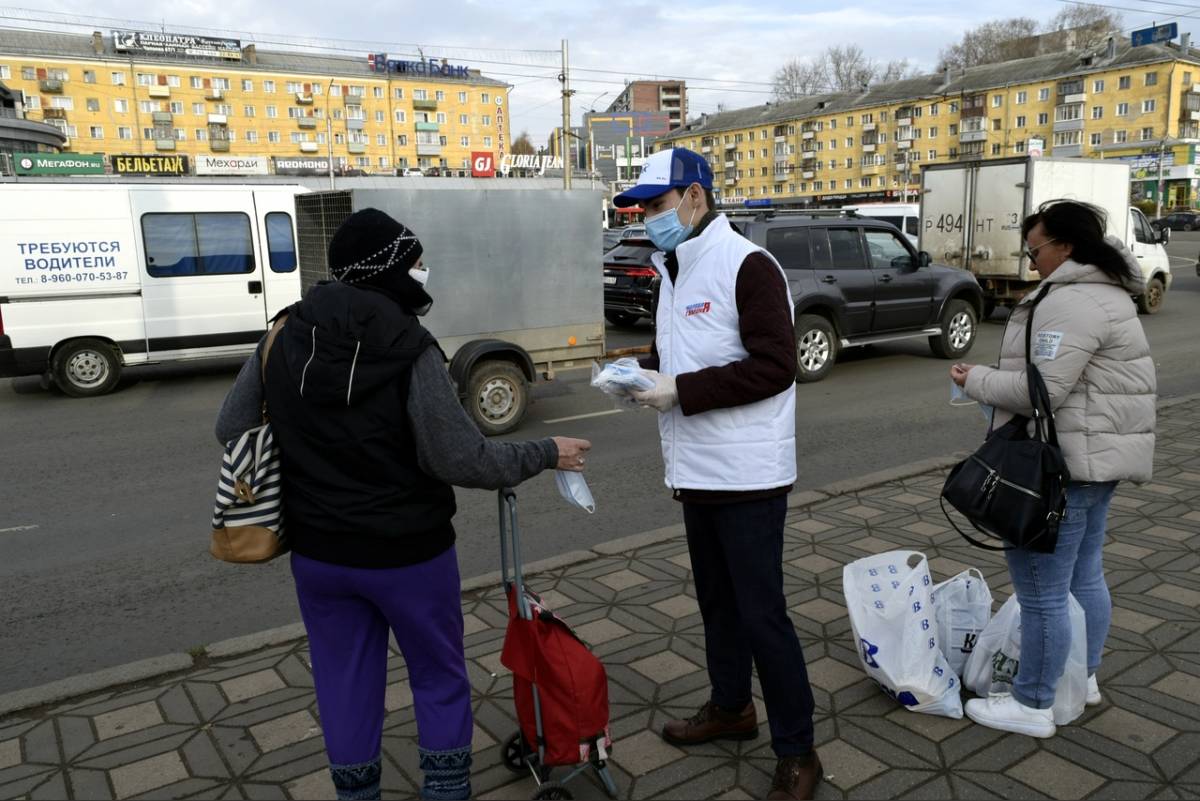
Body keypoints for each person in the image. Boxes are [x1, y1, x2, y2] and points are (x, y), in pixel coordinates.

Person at [215, 209, 591, 801]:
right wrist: (544, 451)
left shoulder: (282, 333)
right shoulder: (409, 345)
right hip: (408, 556)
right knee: (438, 678)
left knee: (342, 683)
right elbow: (459, 458)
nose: (421, 271)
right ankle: (444, 793)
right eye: (414, 261)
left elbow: (231, 426)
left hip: (319, 554)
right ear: (389, 267)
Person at [613, 148, 822, 801]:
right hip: (698, 468)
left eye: (656, 205)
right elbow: (691, 355)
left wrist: (678, 389)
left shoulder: (747, 265)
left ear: (696, 196)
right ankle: (732, 708)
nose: (648, 218)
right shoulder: (675, 268)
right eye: (641, 208)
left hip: (749, 473)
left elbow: (774, 365)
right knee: (717, 606)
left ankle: (798, 749)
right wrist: (642, 370)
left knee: (763, 616)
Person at [952, 200, 1156, 738]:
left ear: (1065, 247)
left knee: (1042, 591)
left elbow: (1039, 391)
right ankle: (1082, 678)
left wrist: (973, 378)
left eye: (1035, 248)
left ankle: (1034, 703)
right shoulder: (1106, 292)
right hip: (1093, 461)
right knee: (1085, 575)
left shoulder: (1073, 303)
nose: (1031, 259)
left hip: (1063, 469)